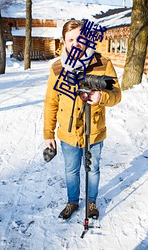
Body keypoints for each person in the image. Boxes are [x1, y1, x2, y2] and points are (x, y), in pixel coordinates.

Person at [43, 20, 121, 220]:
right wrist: (48, 134)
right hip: (68, 133)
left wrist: (101, 97)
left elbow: (116, 95)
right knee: (71, 170)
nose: (75, 43)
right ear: (64, 42)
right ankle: (72, 202)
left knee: (93, 168)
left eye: (79, 38)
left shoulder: (103, 63)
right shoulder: (57, 67)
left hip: (94, 130)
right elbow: (51, 102)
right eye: (71, 39)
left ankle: (92, 202)